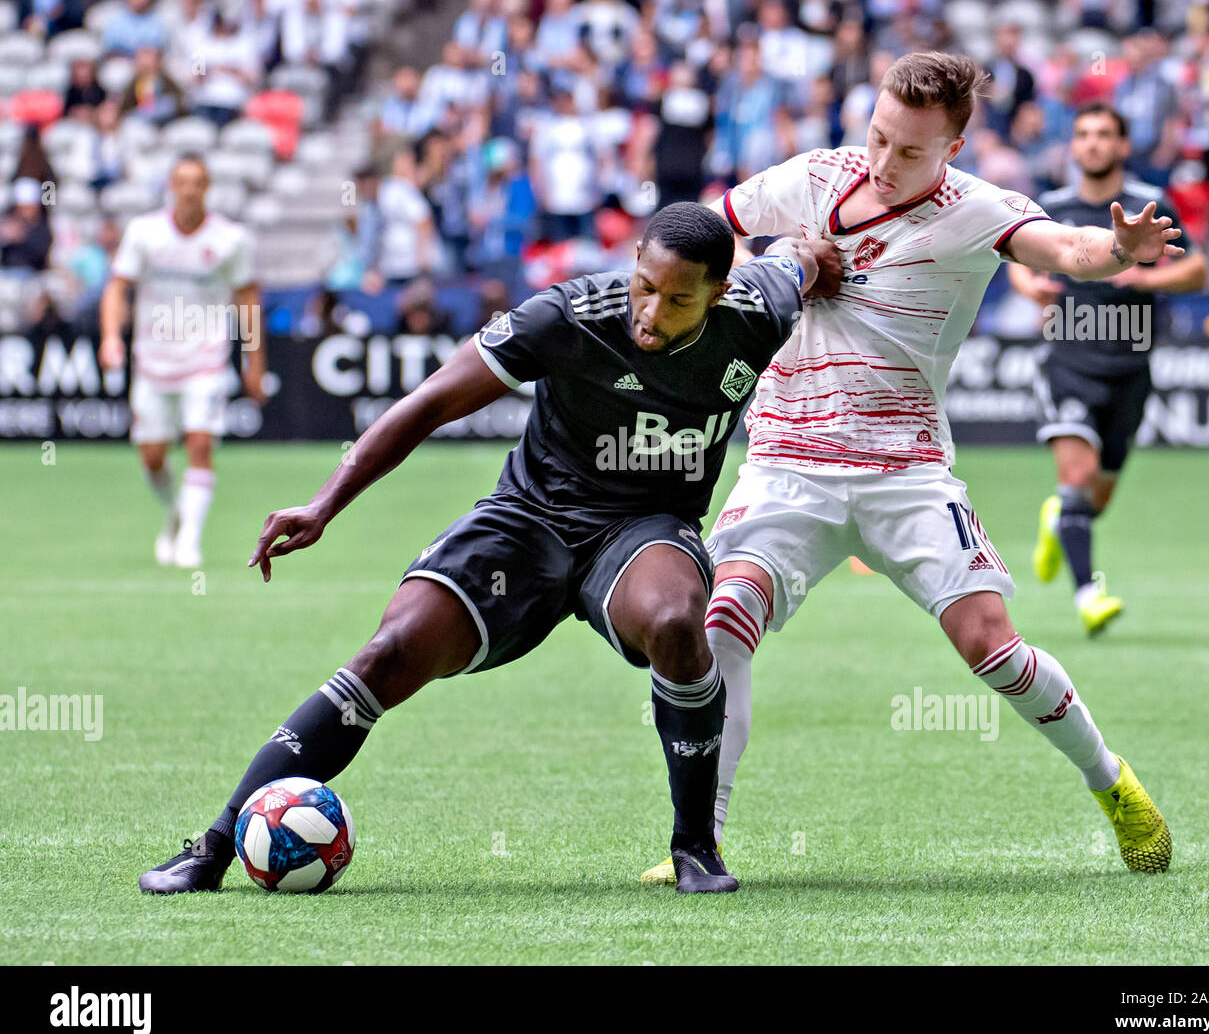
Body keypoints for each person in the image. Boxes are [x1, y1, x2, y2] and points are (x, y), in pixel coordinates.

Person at [136, 203, 841, 896]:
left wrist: (821, 256)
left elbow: (799, 260)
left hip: (643, 528)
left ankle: (695, 846)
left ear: (718, 294)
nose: (650, 312)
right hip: (529, 521)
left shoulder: (758, 310)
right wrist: (324, 502)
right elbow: (431, 402)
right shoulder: (567, 317)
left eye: (678, 299)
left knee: (679, 622)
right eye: (644, 286)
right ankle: (215, 844)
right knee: (390, 650)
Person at [640, 52, 1181, 886]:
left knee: (990, 646)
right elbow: (704, 236)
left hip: (906, 469)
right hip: (787, 462)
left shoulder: (973, 212)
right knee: (719, 625)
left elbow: (1066, 248)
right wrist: (764, 272)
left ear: (954, 149)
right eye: (880, 137)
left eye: (912, 152)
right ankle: (697, 842)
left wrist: (1119, 248)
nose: (886, 162)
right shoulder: (813, 177)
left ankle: (1111, 782)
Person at [1009, 103, 1206, 634]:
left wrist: (1146, 279)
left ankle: (1060, 519)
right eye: (1083, 134)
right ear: (1072, 147)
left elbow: (1197, 270)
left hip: (1131, 365)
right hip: (1068, 360)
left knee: (1095, 495)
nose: (1093, 143)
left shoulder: (1152, 204)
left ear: (1123, 145)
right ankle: (1089, 595)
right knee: (1077, 477)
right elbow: (1019, 270)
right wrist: (1033, 288)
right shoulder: (1049, 206)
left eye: (1104, 135)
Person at [98, 155, 267, 570]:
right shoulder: (144, 232)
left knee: (200, 444)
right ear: (171, 187)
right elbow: (117, 288)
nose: (189, 190)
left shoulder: (231, 239)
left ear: (207, 188)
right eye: (182, 182)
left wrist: (254, 363)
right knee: (153, 456)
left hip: (205, 360)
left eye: (197, 182)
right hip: (152, 359)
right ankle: (174, 514)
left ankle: (190, 539)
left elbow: (248, 299)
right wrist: (109, 337)